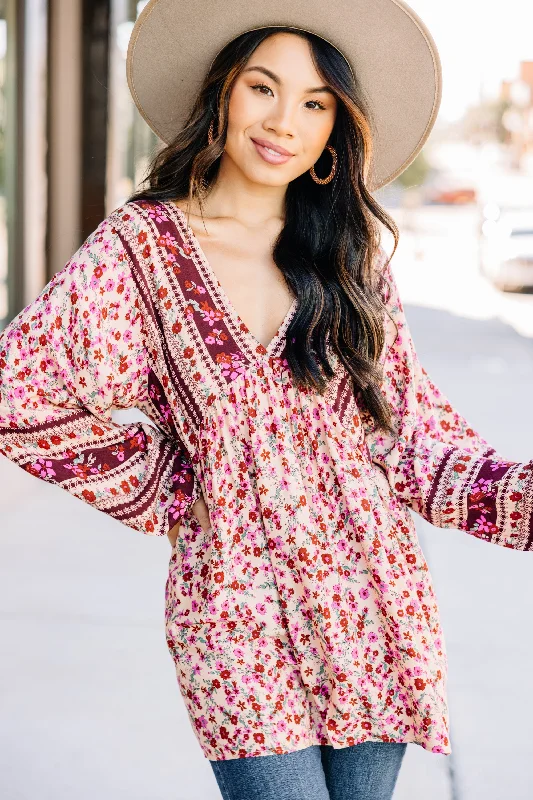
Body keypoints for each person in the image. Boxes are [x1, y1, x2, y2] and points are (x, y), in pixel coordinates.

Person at [1, 1, 531, 798]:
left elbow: (413, 442)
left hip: (369, 602)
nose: (284, 120)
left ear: (333, 131)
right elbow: (22, 392)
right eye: (263, 87)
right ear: (222, 94)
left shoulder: (349, 257)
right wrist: (170, 485)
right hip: (233, 615)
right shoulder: (141, 248)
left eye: (315, 103)